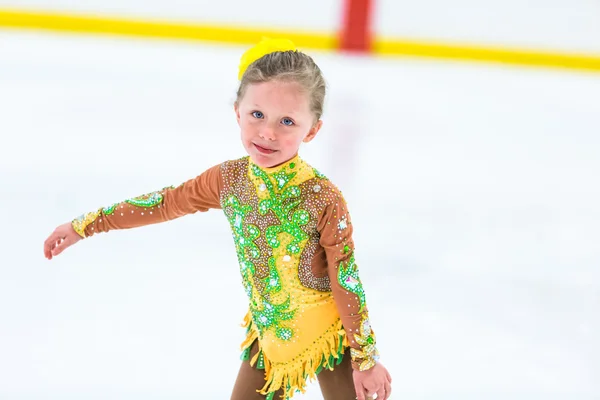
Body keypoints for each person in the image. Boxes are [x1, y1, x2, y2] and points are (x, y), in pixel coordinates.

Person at [43, 38, 392, 400]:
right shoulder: (229, 180)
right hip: (269, 339)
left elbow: (345, 277)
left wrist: (365, 358)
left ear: (312, 129)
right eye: (257, 115)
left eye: (287, 121)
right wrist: (85, 224)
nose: (268, 132)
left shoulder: (323, 197)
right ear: (238, 112)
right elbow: (165, 202)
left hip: (331, 339)